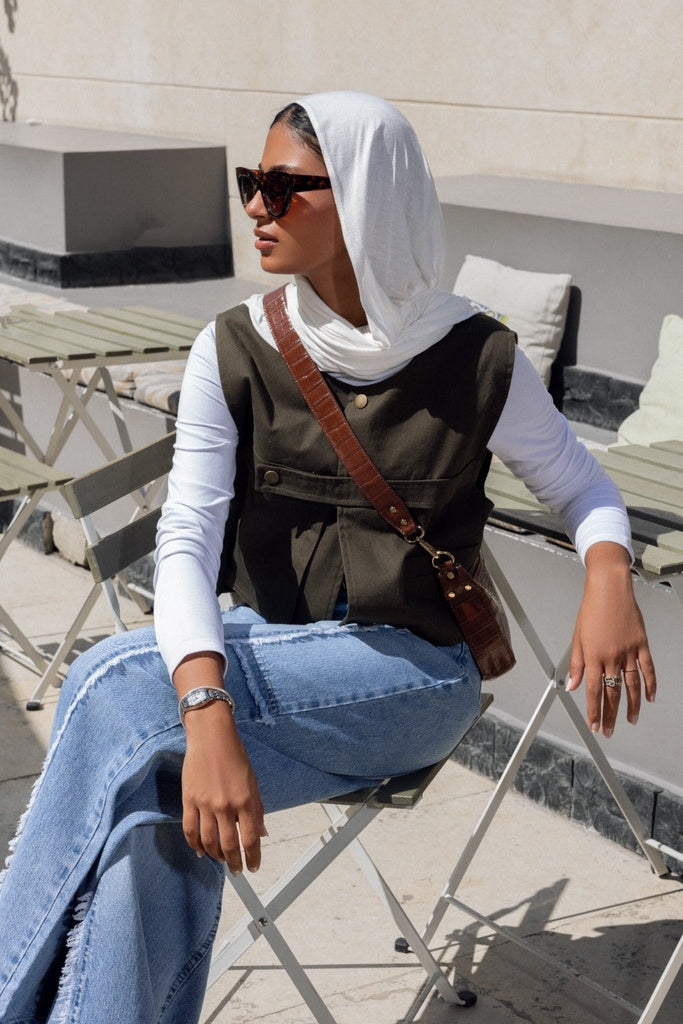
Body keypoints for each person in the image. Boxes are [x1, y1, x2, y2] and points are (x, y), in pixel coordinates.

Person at [0, 91, 655, 1023]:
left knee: (112, 686)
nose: (255, 206)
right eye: (250, 182)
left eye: (284, 186)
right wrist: (207, 718)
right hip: (270, 657)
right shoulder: (233, 347)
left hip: (411, 680)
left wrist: (607, 575)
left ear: (365, 197)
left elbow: (583, 488)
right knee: (152, 811)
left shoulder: (476, 357)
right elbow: (185, 539)